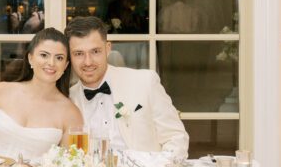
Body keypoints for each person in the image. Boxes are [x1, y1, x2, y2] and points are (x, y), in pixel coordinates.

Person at [66, 16, 189, 158]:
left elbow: (176, 138)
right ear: (70, 56)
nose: (88, 62)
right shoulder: (68, 99)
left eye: (95, 52)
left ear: (108, 49)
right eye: (79, 54)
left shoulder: (145, 82)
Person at [0, 27, 84, 162]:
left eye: (59, 58)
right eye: (44, 55)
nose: (51, 63)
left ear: (65, 65)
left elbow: (70, 165)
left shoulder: (71, 113)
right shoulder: (1, 91)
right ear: (30, 58)